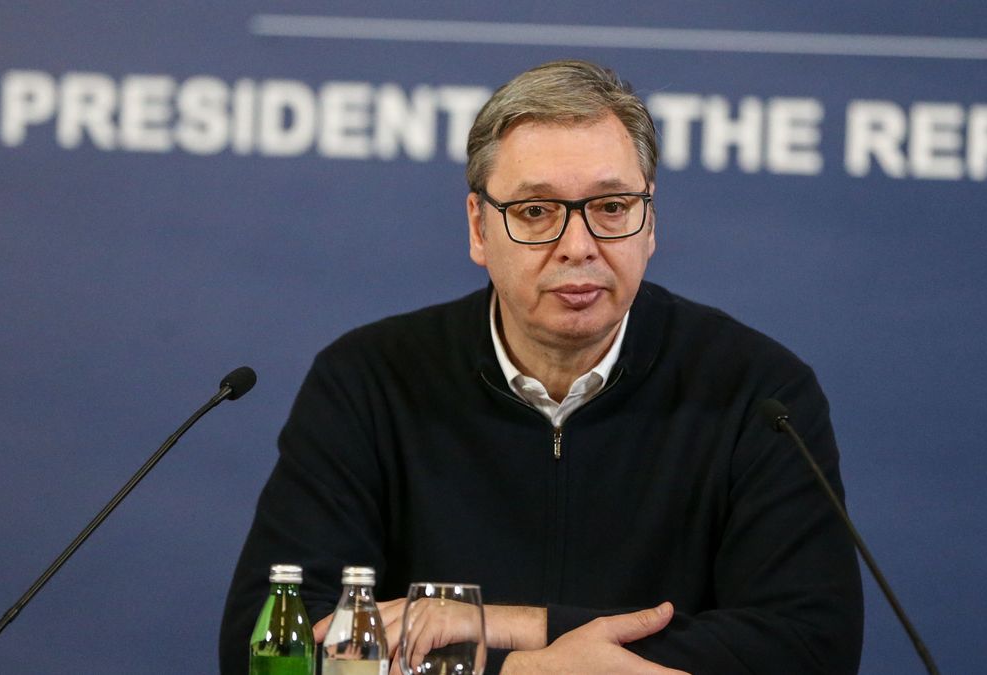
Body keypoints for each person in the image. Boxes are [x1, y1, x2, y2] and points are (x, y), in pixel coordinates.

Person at [219, 59, 863, 674]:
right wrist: (519, 671)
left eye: (611, 208)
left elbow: (809, 647)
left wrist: (508, 625)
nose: (577, 247)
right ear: (479, 227)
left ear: (650, 222)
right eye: (535, 212)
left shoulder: (756, 391)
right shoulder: (369, 381)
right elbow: (275, 640)